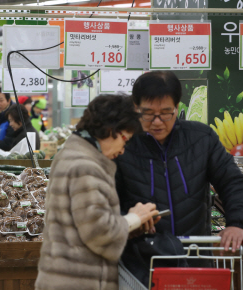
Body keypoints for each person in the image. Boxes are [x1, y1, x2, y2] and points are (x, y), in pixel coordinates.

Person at [115, 71, 243, 253]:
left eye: (165, 113)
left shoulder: (202, 138)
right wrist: (127, 221)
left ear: (177, 107)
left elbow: (232, 182)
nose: (157, 122)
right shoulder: (123, 145)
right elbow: (107, 200)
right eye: (148, 114)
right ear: (136, 108)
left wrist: (238, 223)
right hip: (141, 260)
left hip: (195, 255)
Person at [36, 94, 159, 290]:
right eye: (125, 139)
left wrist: (131, 226)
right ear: (111, 130)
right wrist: (135, 217)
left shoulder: (72, 154)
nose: (123, 149)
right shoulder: (86, 166)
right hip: (79, 281)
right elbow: (99, 232)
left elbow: (82, 224)